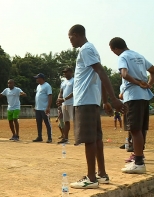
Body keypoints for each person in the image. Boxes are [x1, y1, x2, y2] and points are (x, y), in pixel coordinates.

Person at [67, 25, 125, 189]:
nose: (70, 41)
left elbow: (101, 72)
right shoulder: (91, 49)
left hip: (85, 101)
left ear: (76, 35)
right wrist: (105, 101)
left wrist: (113, 98)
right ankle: (102, 174)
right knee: (97, 138)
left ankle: (91, 178)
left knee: (89, 139)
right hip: (90, 100)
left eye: (70, 37)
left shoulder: (85, 49)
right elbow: (98, 75)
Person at [109, 37, 154, 174]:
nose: (114, 53)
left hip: (133, 96)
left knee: (134, 129)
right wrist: (148, 85)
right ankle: (138, 156)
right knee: (140, 128)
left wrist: (137, 82)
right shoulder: (138, 55)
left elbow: (124, 74)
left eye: (112, 51)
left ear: (115, 48)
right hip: (144, 96)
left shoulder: (123, 56)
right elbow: (153, 70)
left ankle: (138, 162)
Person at [32, 73, 52, 143]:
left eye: (37, 78)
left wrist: (48, 107)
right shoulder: (38, 86)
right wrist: (36, 106)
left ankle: (49, 138)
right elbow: (37, 97)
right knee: (38, 123)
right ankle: (39, 136)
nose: (36, 79)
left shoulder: (47, 86)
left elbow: (50, 96)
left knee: (47, 123)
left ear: (41, 78)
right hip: (38, 108)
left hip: (44, 108)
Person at [56, 68, 74, 144]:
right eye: (64, 73)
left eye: (66, 72)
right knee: (66, 121)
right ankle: (65, 138)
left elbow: (75, 92)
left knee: (76, 122)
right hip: (64, 104)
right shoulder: (63, 82)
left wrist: (64, 99)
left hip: (72, 103)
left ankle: (79, 138)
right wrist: (59, 99)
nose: (64, 74)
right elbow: (61, 91)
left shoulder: (74, 81)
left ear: (71, 72)